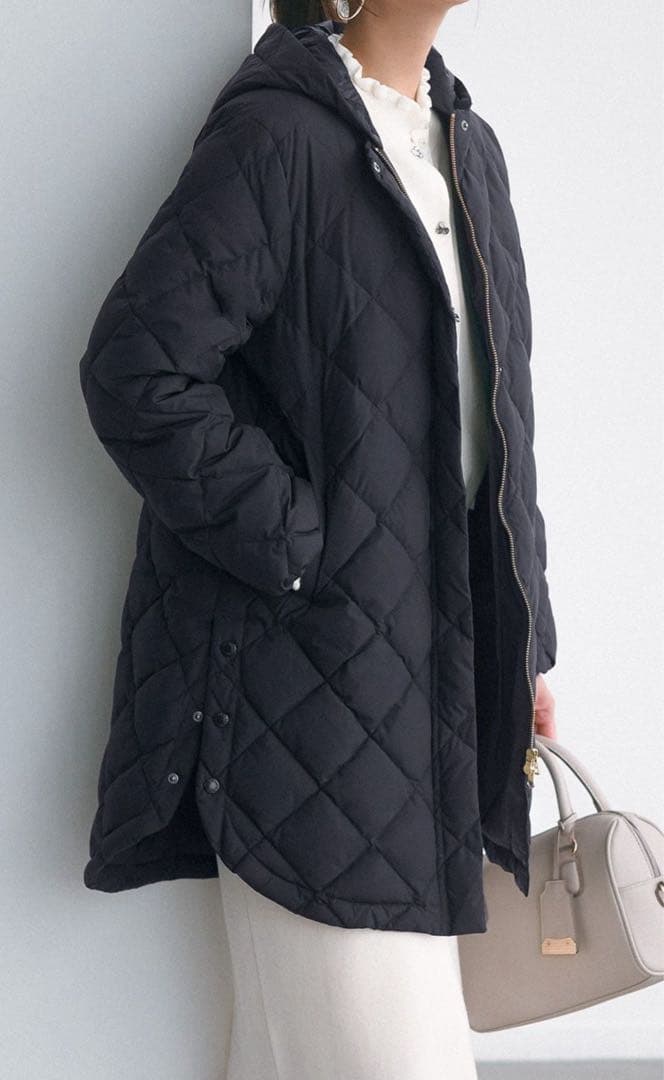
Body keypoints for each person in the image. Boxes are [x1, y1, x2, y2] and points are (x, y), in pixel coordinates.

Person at [79, 2, 558, 1076]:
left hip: (431, 690)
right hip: (308, 690)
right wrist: (306, 543)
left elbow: (503, 429)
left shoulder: (470, 150)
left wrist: (526, 641)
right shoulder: (282, 133)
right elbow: (137, 372)